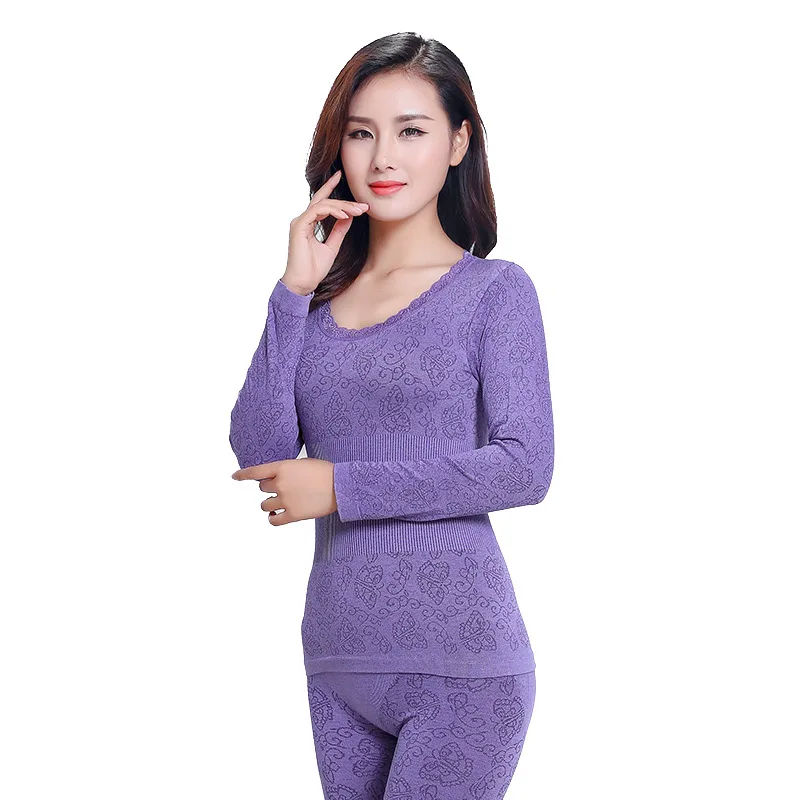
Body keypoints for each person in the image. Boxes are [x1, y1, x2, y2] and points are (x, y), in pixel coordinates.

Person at [229, 31, 555, 800]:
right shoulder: (312, 306)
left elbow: (525, 466)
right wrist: (292, 292)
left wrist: (343, 486)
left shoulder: (495, 293)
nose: (383, 158)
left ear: (458, 143)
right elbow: (260, 450)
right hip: (337, 660)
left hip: (461, 665)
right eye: (361, 133)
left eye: (411, 131)